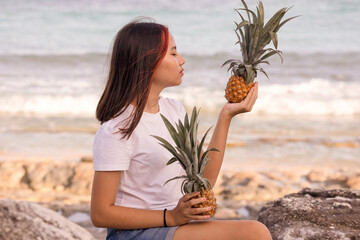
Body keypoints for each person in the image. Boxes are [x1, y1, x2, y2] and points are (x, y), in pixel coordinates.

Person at [90, 17, 272, 240]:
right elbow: (100, 213)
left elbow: (206, 177)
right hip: (134, 234)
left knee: (254, 232)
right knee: (255, 233)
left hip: (175, 226)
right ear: (148, 61)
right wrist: (170, 217)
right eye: (173, 54)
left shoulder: (173, 110)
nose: (182, 60)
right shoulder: (117, 129)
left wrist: (226, 116)